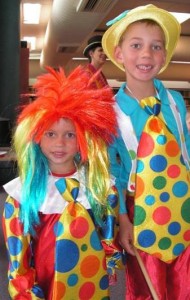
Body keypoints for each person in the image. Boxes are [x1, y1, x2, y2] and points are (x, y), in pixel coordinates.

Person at [2, 66, 124, 299]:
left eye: (70, 135)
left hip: (89, 280)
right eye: (50, 134)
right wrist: (24, 288)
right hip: (46, 282)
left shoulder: (99, 187)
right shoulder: (24, 193)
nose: (60, 143)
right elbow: (18, 249)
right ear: (36, 138)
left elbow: (109, 232)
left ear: (82, 140)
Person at [102, 4, 190, 299]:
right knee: (147, 287)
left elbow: (186, 151)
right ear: (119, 54)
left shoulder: (176, 101)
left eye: (156, 47)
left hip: (183, 207)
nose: (146, 54)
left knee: (185, 282)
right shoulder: (110, 112)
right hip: (140, 212)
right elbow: (110, 172)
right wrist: (122, 221)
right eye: (136, 45)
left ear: (164, 56)